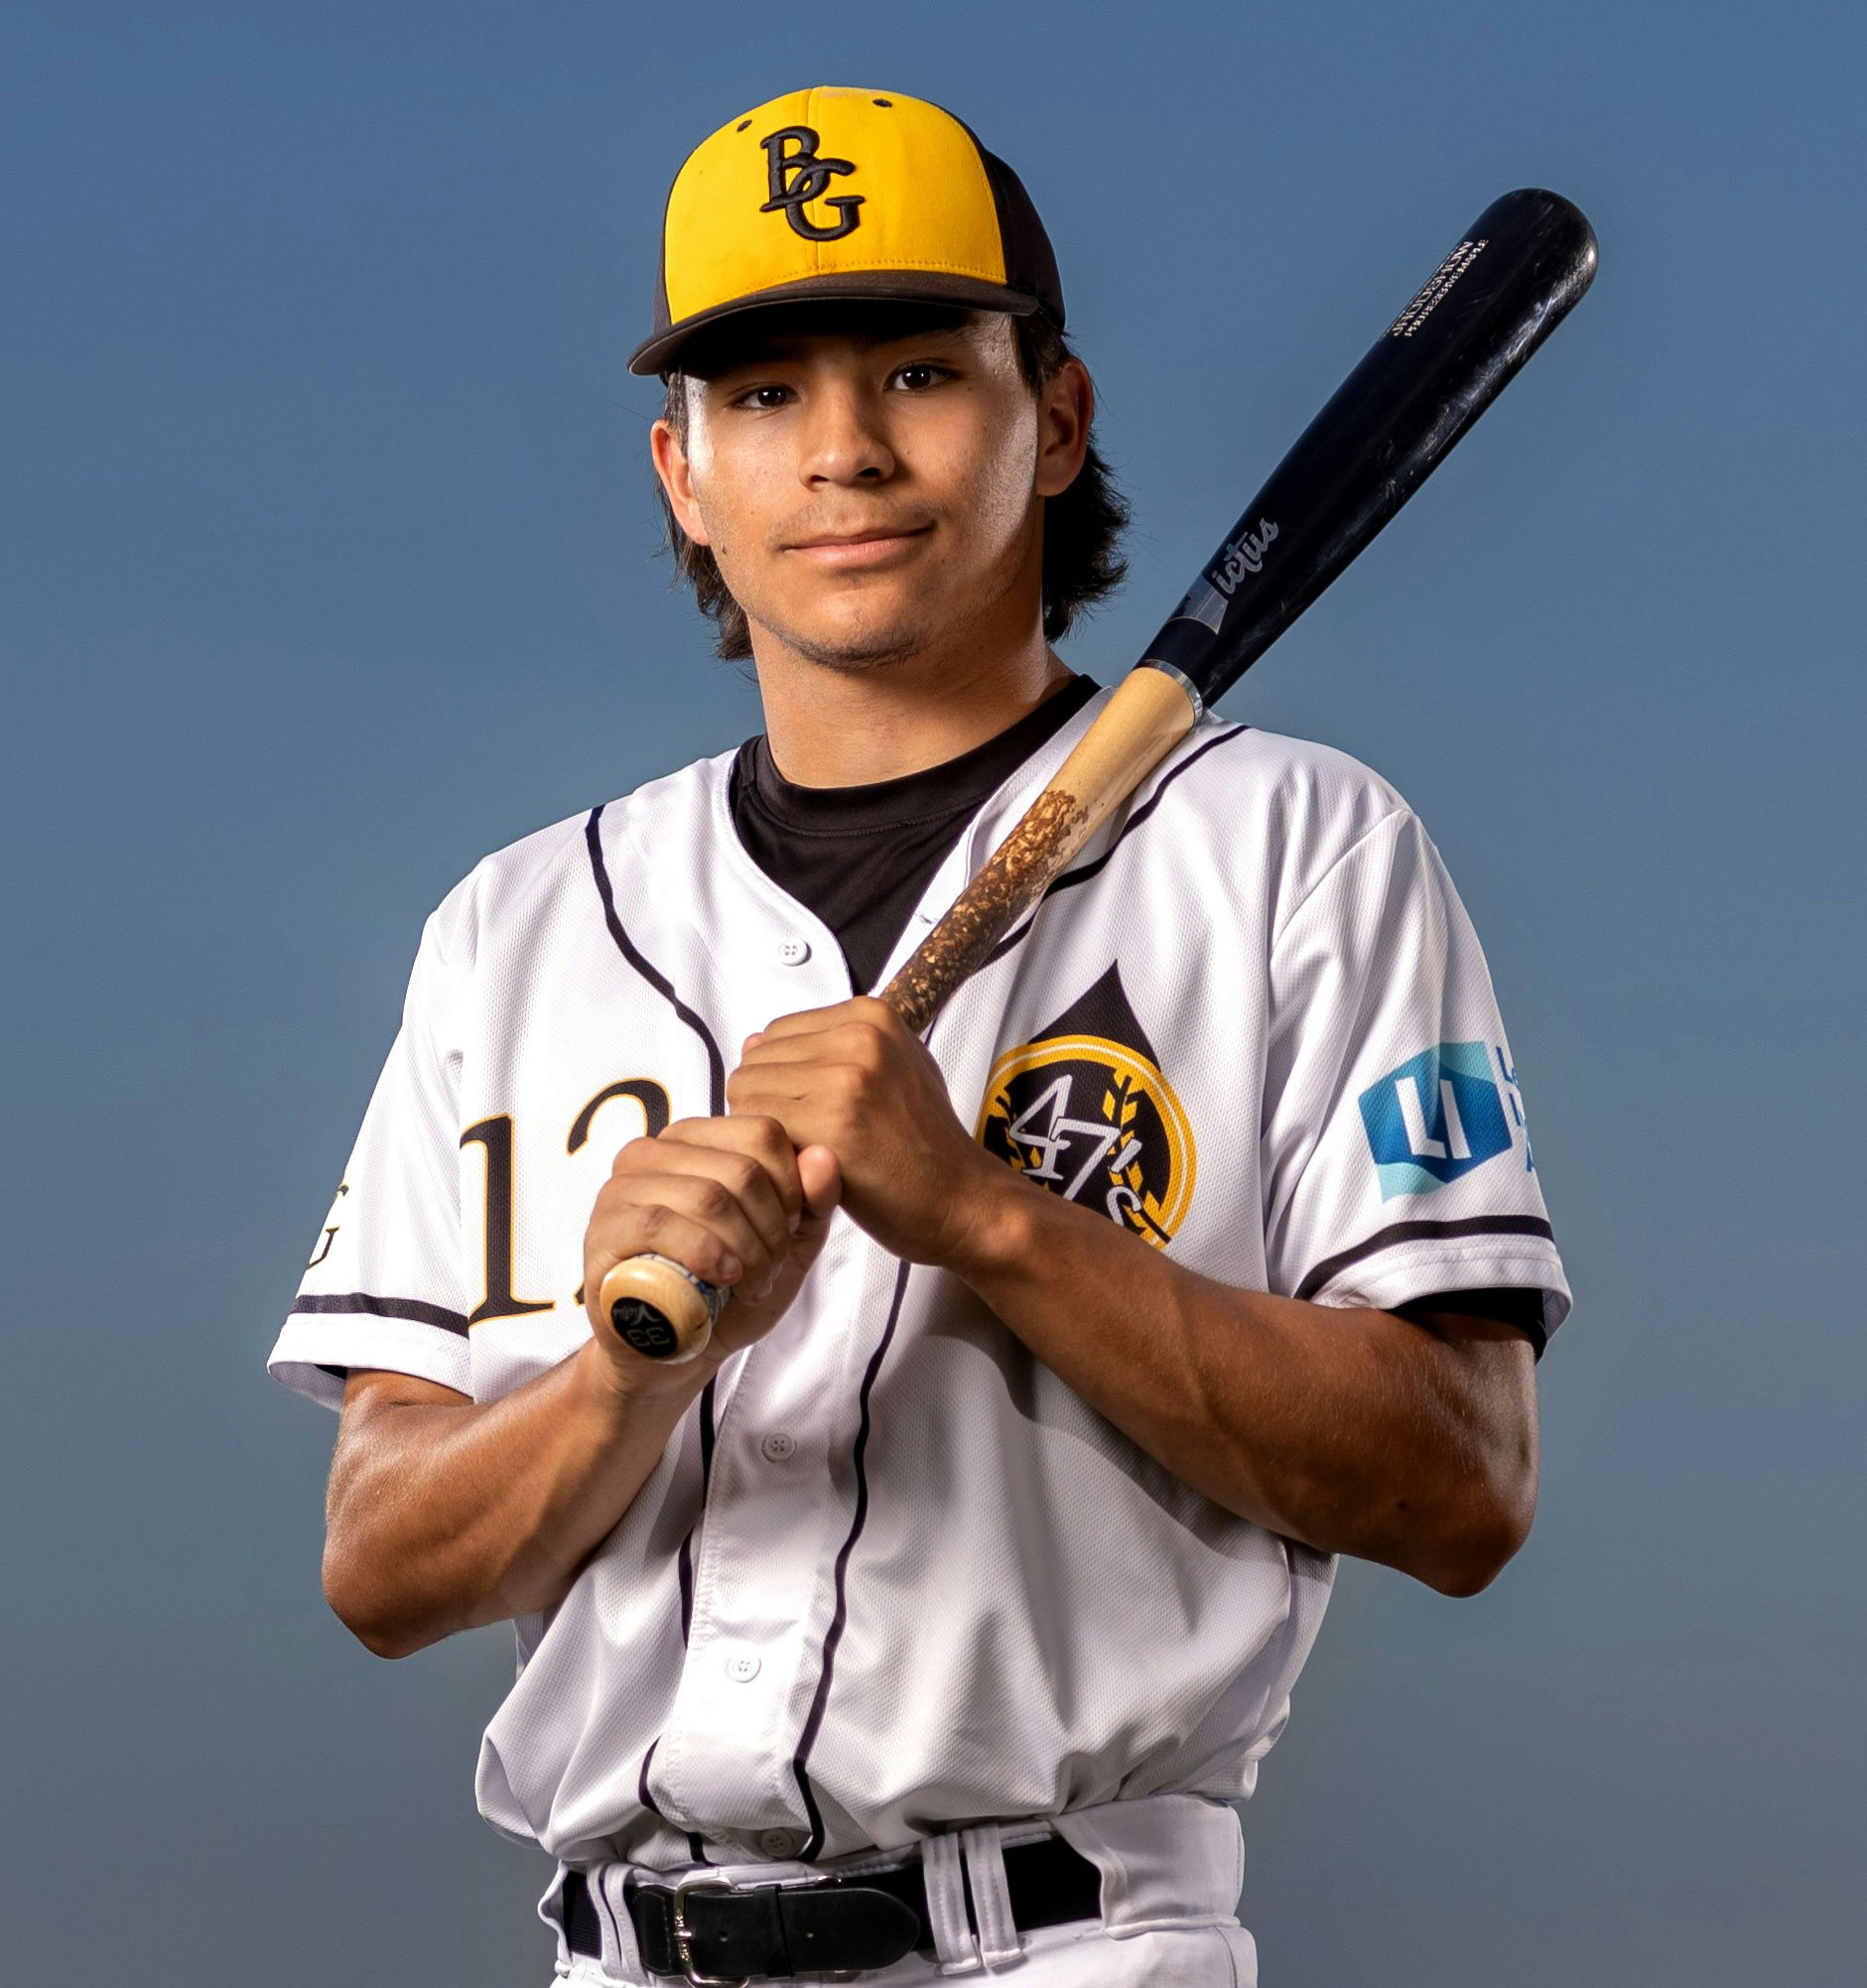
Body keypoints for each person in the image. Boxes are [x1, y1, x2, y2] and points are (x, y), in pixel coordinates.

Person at [269, 85, 1569, 1987]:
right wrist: (632, 1379)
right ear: (680, 473)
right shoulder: (518, 923)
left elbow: (1462, 1484)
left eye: (918, 371)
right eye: (766, 394)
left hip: (1062, 1946)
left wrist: (988, 1221)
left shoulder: (1290, 845)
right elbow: (381, 1568)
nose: (845, 451)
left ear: (1054, 421)